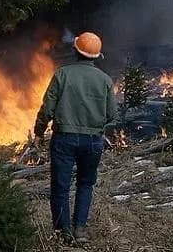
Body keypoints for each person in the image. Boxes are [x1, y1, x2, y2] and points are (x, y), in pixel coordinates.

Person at [33, 31, 117, 243]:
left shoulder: (62, 74)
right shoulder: (105, 80)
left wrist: (39, 132)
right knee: (85, 184)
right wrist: (96, 129)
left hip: (64, 139)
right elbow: (112, 115)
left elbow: (47, 108)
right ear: (97, 56)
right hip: (92, 141)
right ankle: (80, 230)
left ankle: (63, 232)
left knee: (60, 186)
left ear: (75, 50)